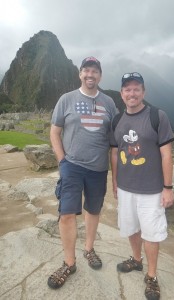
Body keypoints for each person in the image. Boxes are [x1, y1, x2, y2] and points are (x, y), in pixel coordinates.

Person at [47, 56, 118, 289]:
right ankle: (69, 262)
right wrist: (62, 161)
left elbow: (117, 139)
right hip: (72, 166)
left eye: (95, 71)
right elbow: (54, 132)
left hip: (98, 169)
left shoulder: (109, 103)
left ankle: (89, 248)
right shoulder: (66, 99)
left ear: (100, 76)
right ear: (80, 74)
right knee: (67, 213)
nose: (90, 75)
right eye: (86, 70)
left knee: (93, 210)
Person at [110, 72, 174, 300]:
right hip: (126, 188)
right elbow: (116, 153)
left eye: (136, 89)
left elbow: (167, 154)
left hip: (152, 190)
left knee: (152, 234)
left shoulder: (157, 116)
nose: (132, 93)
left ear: (143, 92)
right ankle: (136, 260)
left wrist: (168, 187)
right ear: (121, 94)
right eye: (127, 89)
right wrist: (115, 181)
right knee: (131, 228)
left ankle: (152, 276)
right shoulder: (117, 120)